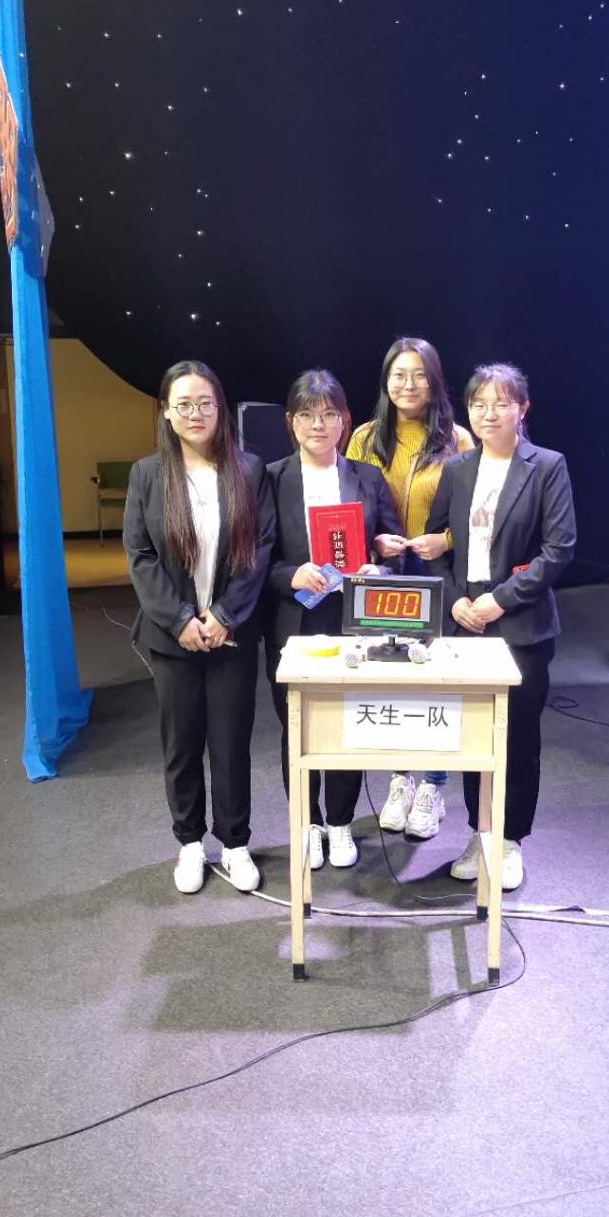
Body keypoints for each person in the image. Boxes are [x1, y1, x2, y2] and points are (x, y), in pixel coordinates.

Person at [124, 360, 275, 896]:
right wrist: (181, 619)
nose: (195, 413)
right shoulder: (147, 474)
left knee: (231, 743)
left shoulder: (249, 471)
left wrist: (224, 615)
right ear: (166, 412)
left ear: (220, 408)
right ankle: (189, 843)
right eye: (183, 404)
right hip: (173, 639)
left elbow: (261, 548)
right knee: (182, 744)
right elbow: (140, 555)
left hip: (232, 634)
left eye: (205, 403)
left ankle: (234, 843)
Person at [425, 362, 576, 889]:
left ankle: (510, 841)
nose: (489, 414)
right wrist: (455, 603)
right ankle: (479, 831)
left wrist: (499, 601)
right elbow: (436, 546)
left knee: (517, 736)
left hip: (521, 625)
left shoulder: (547, 466)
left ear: (522, 409)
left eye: (501, 403)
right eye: (479, 404)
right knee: (473, 737)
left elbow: (559, 549)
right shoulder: (457, 469)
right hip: (465, 623)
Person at [265, 369, 402, 870]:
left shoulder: (368, 478)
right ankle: (308, 821)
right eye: (307, 415)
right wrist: (291, 575)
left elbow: (393, 550)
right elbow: (257, 559)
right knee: (296, 727)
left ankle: (341, 822)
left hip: (351, 621)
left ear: (345, 420)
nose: (318, 425)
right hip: (293, 622)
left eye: (328, 414)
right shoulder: (271, 478)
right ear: (291, 421)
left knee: (347, 725)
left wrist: (377, 569)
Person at [346, 335, 473, 839]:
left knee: (437, 679)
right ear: (386, 381)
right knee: (393, 678)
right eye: (399, 374)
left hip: (439, 574)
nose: (409, 384)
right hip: (385, 575)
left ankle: (434, 786)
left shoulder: (459, 440)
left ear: (435, 381)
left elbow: (478, 512)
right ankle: (401, 778)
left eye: (419, 374)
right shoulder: (363, 437)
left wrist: (445, 540)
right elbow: (348, 505)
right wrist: (373, 540)